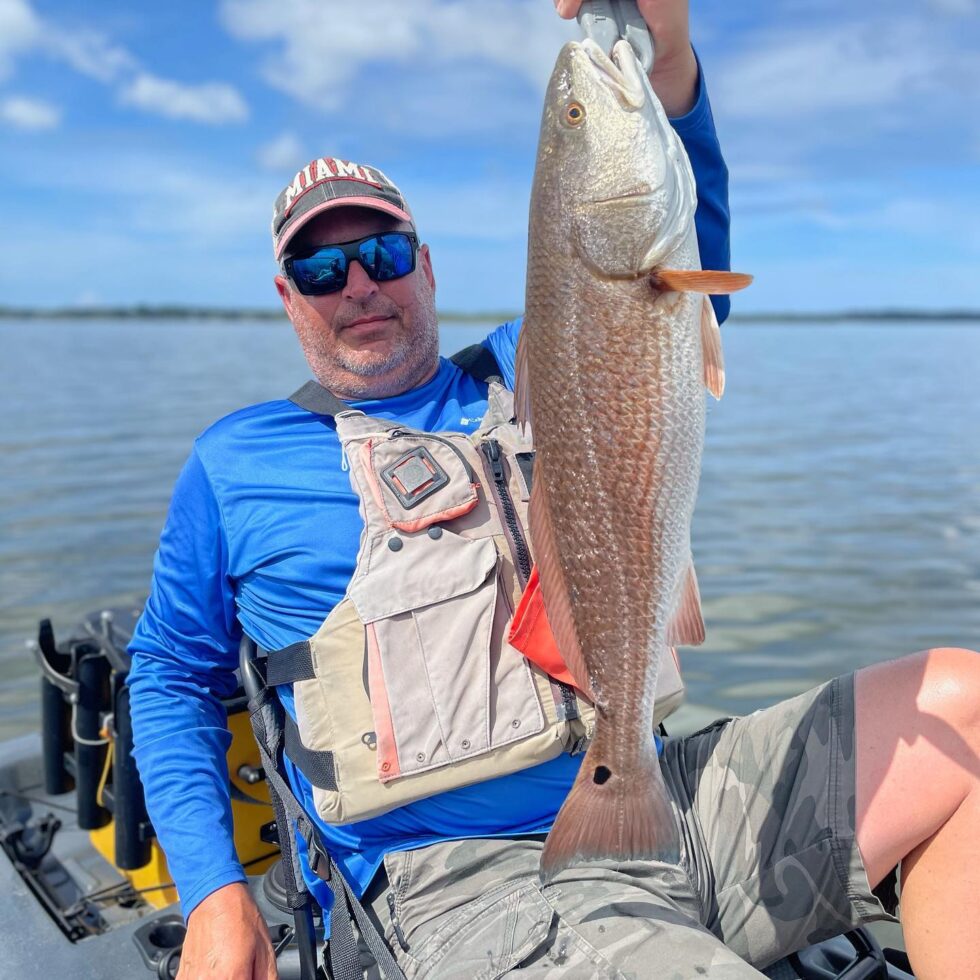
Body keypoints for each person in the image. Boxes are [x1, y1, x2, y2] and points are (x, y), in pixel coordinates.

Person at [127, 2, 980, 978]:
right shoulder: (239, 462)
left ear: (426, 267)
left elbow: (669, 262)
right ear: (288, 297)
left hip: (658, 794)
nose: (358, 282)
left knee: (959, 706)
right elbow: (167, 673)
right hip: (461, 882)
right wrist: (214, 892)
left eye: (384, 252)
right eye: (321, 266)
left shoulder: (534, 362)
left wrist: (666, 67)